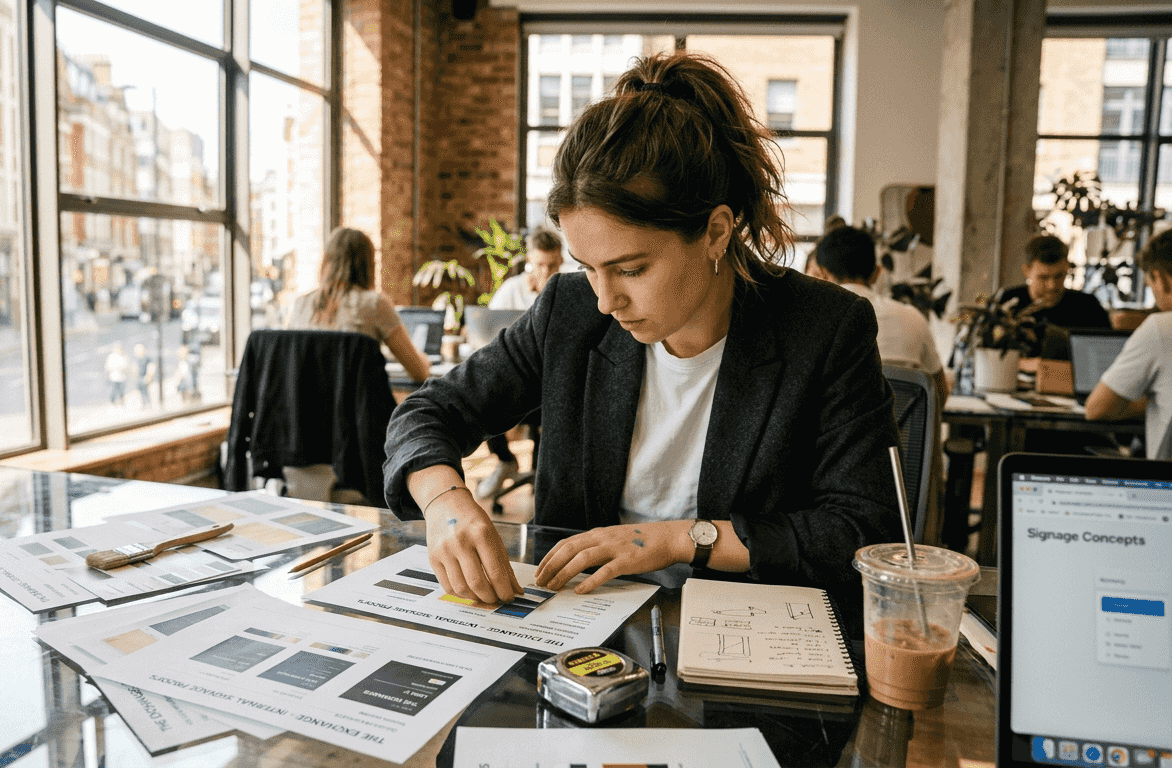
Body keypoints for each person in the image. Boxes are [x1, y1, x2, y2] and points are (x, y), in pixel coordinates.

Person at [383, 52, 899, 628]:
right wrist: (444, 502)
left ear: (715, 232)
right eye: (589, 267)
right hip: (580, 633)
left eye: (630, 269)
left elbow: (862, 532)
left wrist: (680, 540)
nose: (606, 300)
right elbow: (427, 413)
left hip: (743, 641)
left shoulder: (825, 329)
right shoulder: (570, 311)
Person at [476, 229, 565, 499]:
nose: (546, 272)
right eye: (540, 265)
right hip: (515, 382)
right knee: (482, 399)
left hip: (555, 385)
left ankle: (543, 480)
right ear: (529, 261)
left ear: (561, 262)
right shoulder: (512, 290)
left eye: (552, 265)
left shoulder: (568, 292)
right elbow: (485, 335)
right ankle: (505, 459)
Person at [807, 225, 947, 393]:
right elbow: (940, 394)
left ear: (822, 274)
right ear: (876, 273)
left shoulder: (813, 322)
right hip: (900, 419)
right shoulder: (914, 318)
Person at [286, 227, 432, 384]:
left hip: (306, 407)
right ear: (368, 264)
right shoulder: (374, 304)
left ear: (326, 261)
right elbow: (419, 373)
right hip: (357, 407)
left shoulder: (301, 304)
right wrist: (424, 360)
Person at [1086, 229, 1172, 459]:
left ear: (1158, 277)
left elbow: (1097, 408)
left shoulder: (1161, 328)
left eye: (1150, 283)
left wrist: (1150, 402)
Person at [998, 235, 1110, 347]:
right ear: (1026, 271)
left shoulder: (1088, 306)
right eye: (1043, 278)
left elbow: (1107, 351)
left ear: (1067, 268)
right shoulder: (1007, 303)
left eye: (1059, 276)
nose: (1052, 286)